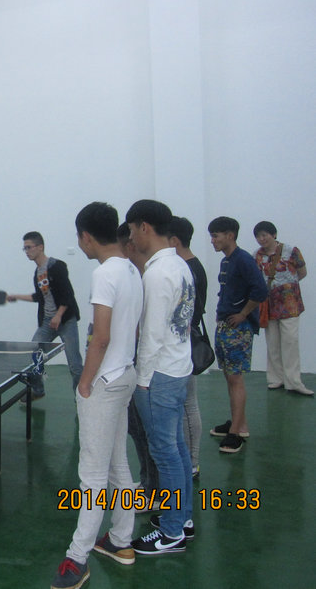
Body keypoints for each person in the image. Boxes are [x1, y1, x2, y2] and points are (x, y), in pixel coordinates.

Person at [50, 203, 143, 589]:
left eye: (79, 236)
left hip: (105, 382)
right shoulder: (132, 269)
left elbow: (100, 338)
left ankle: (78, 557)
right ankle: (120, 540)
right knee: (118, 464)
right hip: (126, 375)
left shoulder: (104, 273)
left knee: (91, 475)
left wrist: (85, 383)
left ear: (86, 237)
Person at [125, 200, 195, 555]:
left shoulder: (156, 273)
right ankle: (182, 519)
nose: (131, 238)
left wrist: (142, 380)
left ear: (144, 227)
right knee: (176, 449)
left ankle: (171, 532)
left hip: (159, 376)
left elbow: (151, 335)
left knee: (165, 453)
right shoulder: (180, 264)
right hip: (178, 368)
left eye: (132, 230)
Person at [207, 216, 267, 453]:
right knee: (229, 377)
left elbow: (260, 290)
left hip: (237, 329)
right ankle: (239, 423)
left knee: (235, 378)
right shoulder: (227, 261)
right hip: (225, 325)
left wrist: (243, 314)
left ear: (230, 235)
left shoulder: (243, 260)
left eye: (216, 236)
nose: (212, 241)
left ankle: (236, 433)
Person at [6, 231, 83, 397]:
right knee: (33, 354)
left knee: (75, 364)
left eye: (29, 247)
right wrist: (16, 296)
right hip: (48, 321)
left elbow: (68, 294)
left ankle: (81, 399)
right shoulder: (37, 273)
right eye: (25, 248)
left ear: (40, 247)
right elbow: (39, 297)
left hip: (65, 321)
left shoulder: (57, 266)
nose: (26, 251)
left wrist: (59, 315)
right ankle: (38, 390)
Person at [115, 223, 159, 511]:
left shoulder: (147, 278)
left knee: (146, 432)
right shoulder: (135, 275)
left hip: (147, 371)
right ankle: (147, 483)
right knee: (137, 429)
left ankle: (154, 491)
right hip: (135, 366)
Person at [168, 216, 207, 478]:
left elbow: (191, 310)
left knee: (188, 404)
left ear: (174, 240)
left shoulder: (188, 268)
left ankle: (192, 462)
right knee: (186, 403)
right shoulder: (191, 265)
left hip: (185, 343)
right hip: (184, 341)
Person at [252, 221, 310, 395]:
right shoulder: (256, 255)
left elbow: (302, 272)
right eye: (258, 236)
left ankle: (294, 382)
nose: (262, 239)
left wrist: (287, 286)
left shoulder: (291, 251)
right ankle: (276, 379)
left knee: (290, 342)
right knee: (273, 343)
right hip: (268, 305)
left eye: (265, 235)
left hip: (289, 304)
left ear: (274, 235)